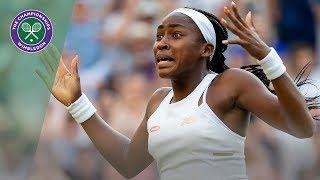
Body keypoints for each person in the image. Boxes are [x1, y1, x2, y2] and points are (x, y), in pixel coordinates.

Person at [36, 2, 318, 180]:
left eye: (176, 35)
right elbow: (128, 163)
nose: (161, 43)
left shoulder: (230, 84)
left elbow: (303, 128)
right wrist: (77, 103)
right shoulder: (158, 100)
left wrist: (267, 56)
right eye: (159, 36)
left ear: (206, 49)